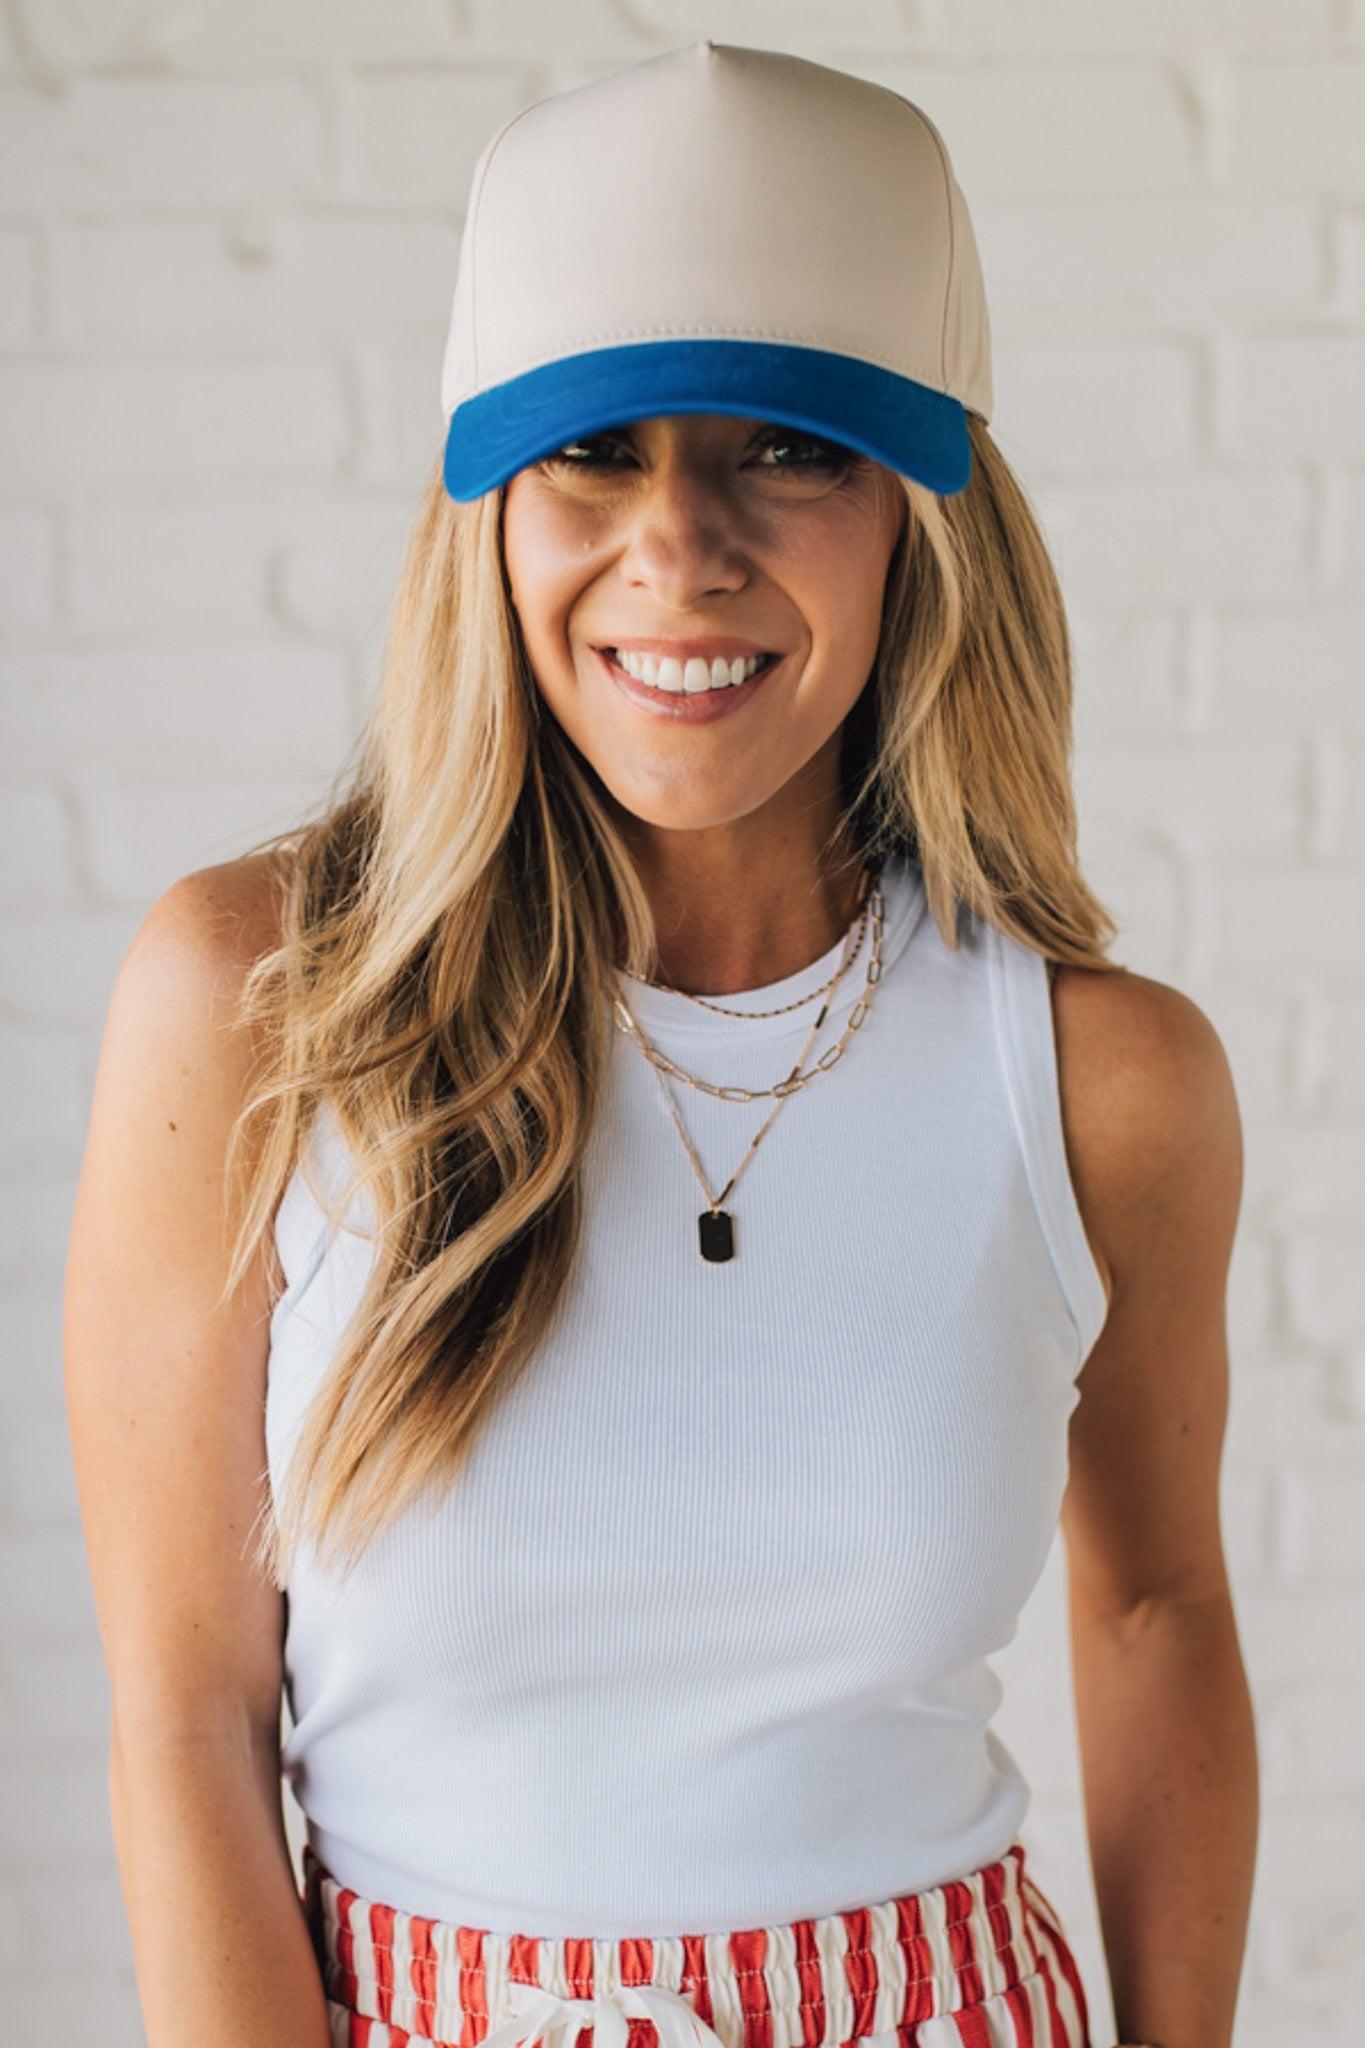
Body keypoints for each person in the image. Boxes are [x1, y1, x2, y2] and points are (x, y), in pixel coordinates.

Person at [64, 40, 1256, 2048]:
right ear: (490, 510)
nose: (676, 547)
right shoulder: (257, 1003)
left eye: (784, 448)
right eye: (592, 453)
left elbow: (1154, 1608)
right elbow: (186, 1713)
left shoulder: (1094, 1078)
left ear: (917, 516)